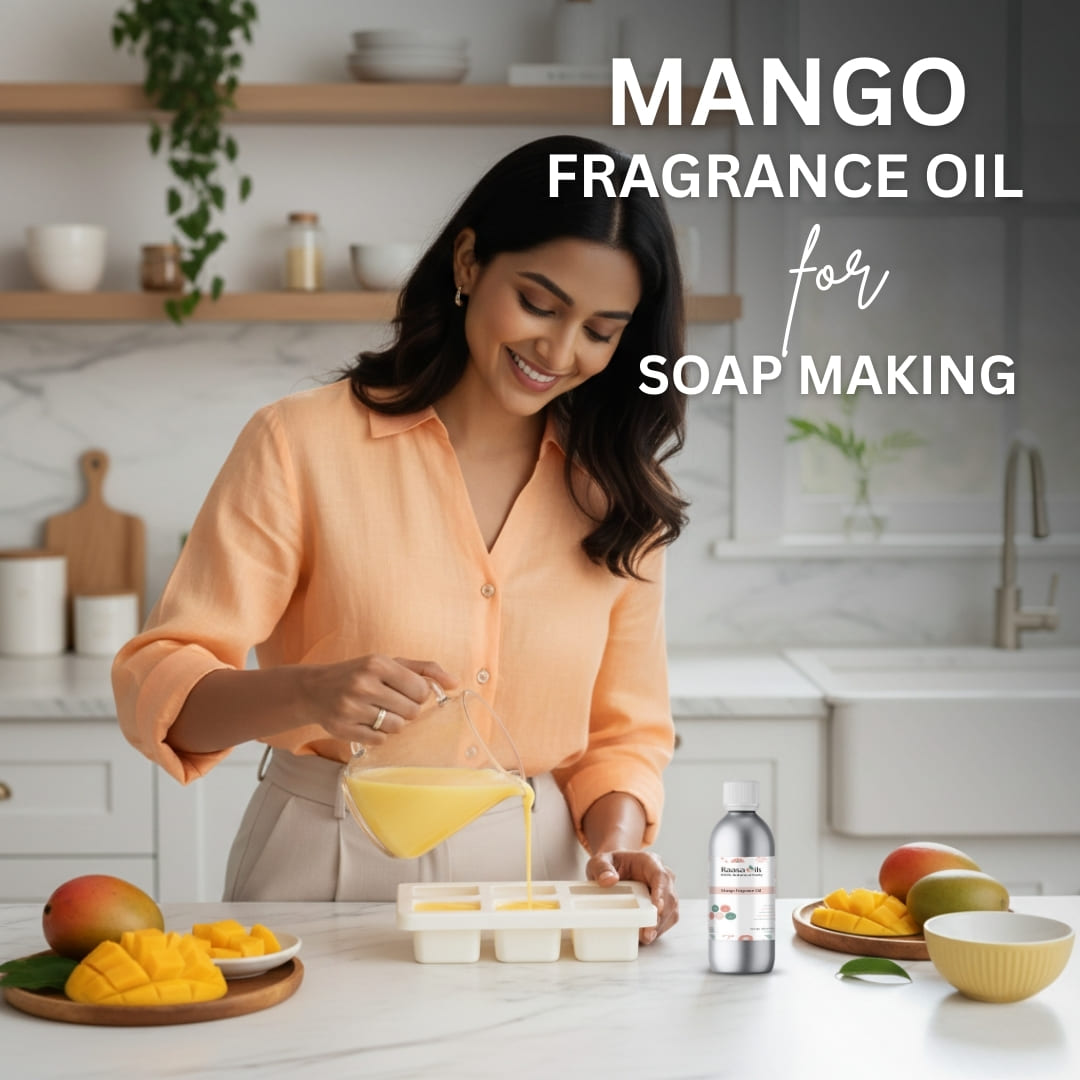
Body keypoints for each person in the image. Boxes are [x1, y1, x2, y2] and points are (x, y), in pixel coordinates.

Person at [112, 134, 688, 943]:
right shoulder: (299, 443)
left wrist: (619, 848)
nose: (559, 351)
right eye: (539, 303)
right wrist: (309, 691)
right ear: (467, 262)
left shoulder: (619, 494)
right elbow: (158, 686)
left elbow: (625, 736)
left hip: (539, 883)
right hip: (323, 866)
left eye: (601, 330)